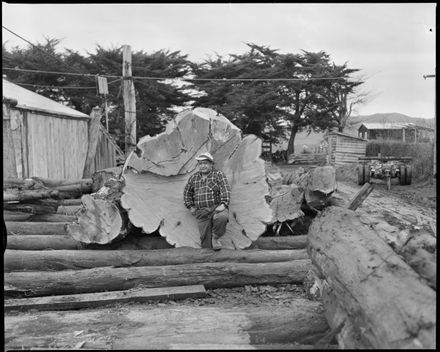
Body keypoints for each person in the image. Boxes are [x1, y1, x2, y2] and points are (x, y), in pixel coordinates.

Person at [183, 152, 230, 250]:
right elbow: (187, 193)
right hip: (201, 211)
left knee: (222, 217)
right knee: (204, 239)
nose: (202, 166)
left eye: (205, 163)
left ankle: (216, 237)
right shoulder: (194, 178)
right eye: (200, 164)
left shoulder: (218, 175)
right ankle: (208, 260)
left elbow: (225, 189)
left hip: (216, 207)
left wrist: (224, 204)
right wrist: (190, 206)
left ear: (211, 164)